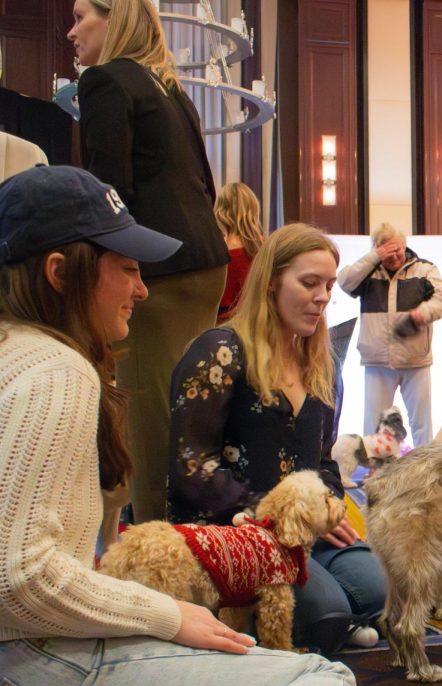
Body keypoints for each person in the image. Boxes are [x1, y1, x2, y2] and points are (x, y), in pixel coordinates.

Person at [0, 166, 359, 686]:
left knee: (350, 595)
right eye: (127, 267)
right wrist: (167, 616)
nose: (143, 289)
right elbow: (19, 578)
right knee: (321, 681)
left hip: (33, 669)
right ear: (61, 272)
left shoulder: (19, 354)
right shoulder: (55, 371)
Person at [168, 223, 386, 655]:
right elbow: (192, 464)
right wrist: (268, 516)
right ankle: (329, 622)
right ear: (270, 282)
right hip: (236, 533)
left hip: (305, 534)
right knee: (326, 613)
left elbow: (325, 460)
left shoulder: (324, 364)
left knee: (385, 591)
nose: (323, 296)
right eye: (309, 283)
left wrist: (326, 511)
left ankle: (337, 619)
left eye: (327, 285)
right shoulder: (219, 350)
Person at [69, 0, 230, 522]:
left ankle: (162, 550)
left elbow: (108, 193)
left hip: (157, 269)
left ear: (114, 17)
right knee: (191, 407)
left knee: (150, 416)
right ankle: (198, 529)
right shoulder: (170, 88)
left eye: (80, 17)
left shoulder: (105, 81)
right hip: (205, 261)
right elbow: (204, 183)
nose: (71, 32)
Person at [337, 223, 442, 445]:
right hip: (376, 360)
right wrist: (373, 257)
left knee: (421, 425)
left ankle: (425, 471)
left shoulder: (425, 269)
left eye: (398, 249)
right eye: (387, 250)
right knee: (373, 427)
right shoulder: (367, 271)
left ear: (405, 245)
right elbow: (344, 281)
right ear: (376, 248)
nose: (394, 255)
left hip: (415, 359)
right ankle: (375, 474)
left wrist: (423, 312)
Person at [213, 182, 263, 322]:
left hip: (220, 326)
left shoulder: (216, 250)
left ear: (220, 210)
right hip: (256, 322)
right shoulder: (266, 249)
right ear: (254, 209)